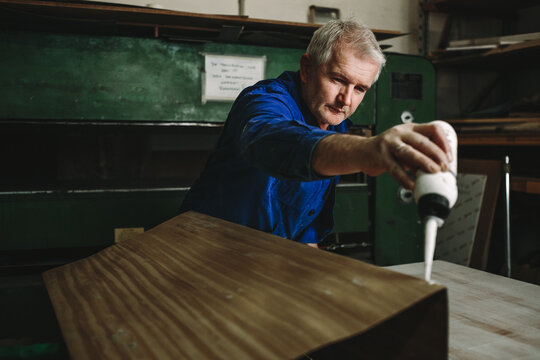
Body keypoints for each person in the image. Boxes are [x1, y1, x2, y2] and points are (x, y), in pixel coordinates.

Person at [180, 19, 451, 247]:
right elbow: (269, 138)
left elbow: (307, 209)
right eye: (338, 79)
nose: (346, 100)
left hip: (265, 258)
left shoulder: (333, 120)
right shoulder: (264, 100)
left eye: (360, 89)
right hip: (206, 249)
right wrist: (365, 150)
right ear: (307, 69)